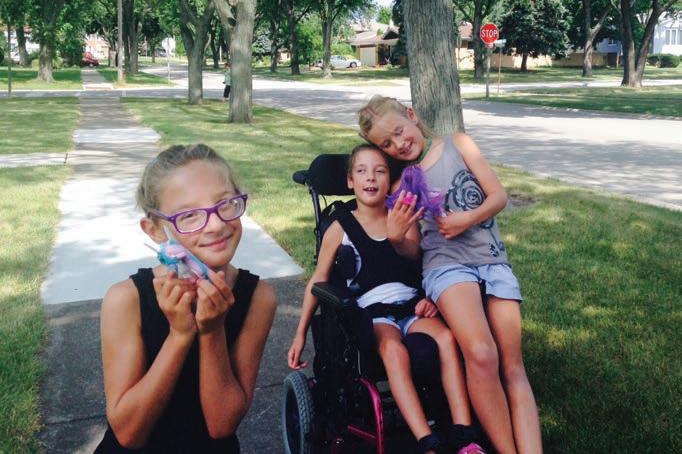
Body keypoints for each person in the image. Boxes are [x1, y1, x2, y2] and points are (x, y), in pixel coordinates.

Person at [358, 96, 543, 454]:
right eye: (387, 144)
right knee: (481, 354)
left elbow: (498, 197)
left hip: (492, 259)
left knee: (512, 365)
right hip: (446, 266)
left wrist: (466, 218)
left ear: (412, 116)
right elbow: (414, 251)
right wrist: (397, 237)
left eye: (398, 131)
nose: (398, 144)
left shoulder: (458, 143)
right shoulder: (402, 186)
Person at [288, 144, 485, 454]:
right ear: (350, 181)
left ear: (389, 179)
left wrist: (430, 296)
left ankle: (465, 436)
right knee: (393, 351)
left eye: (379, 171)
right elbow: (318, 280)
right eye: (362, 171)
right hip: (373, 313)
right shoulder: (339, 227)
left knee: (446, 339)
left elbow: (419, 261)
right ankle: (427, 441)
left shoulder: (403, 216)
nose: (371, 177)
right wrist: (300, 334)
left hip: (412, 304)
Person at [95, 144, 277, 453]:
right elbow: (128, 434)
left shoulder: (259, 298)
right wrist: (179, 335)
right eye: (189, 216)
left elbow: (222, 425)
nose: (216, 224)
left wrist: (212, 330)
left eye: (225, 204)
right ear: (155, 229)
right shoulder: (125, 300)